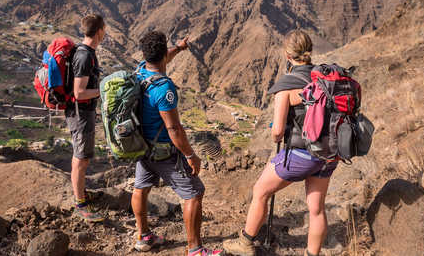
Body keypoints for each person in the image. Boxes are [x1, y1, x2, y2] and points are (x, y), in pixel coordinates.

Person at [223, 30, 338, 256]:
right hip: (330, 153)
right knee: (316, 209)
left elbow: (276, 131)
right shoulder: (324, 77)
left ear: (287, 55)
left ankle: (246, 243)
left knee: (260, 192)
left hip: (303, 154)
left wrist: (277, 134)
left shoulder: (287, 84)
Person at [131, 31, 223, 256]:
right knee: (194, 193)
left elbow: (163, 60)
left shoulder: (141, 70)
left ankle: (143, 237)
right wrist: (191, 155)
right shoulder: (164, 89)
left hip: (141, 147)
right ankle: (195, 249)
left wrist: (180, 48)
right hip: (164, 151)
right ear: (162, 54)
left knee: (140, 188)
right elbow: (174, 129)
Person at [66, 14, 106, 222]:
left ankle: (80, 195)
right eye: (104, 28)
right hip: (80, 114)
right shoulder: (84, 56)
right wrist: (102, 89)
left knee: (83, 156)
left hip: (83, 113)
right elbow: (79, 93)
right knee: (81, 159)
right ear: (99, 31)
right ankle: (80, 204)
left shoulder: (87, 53)